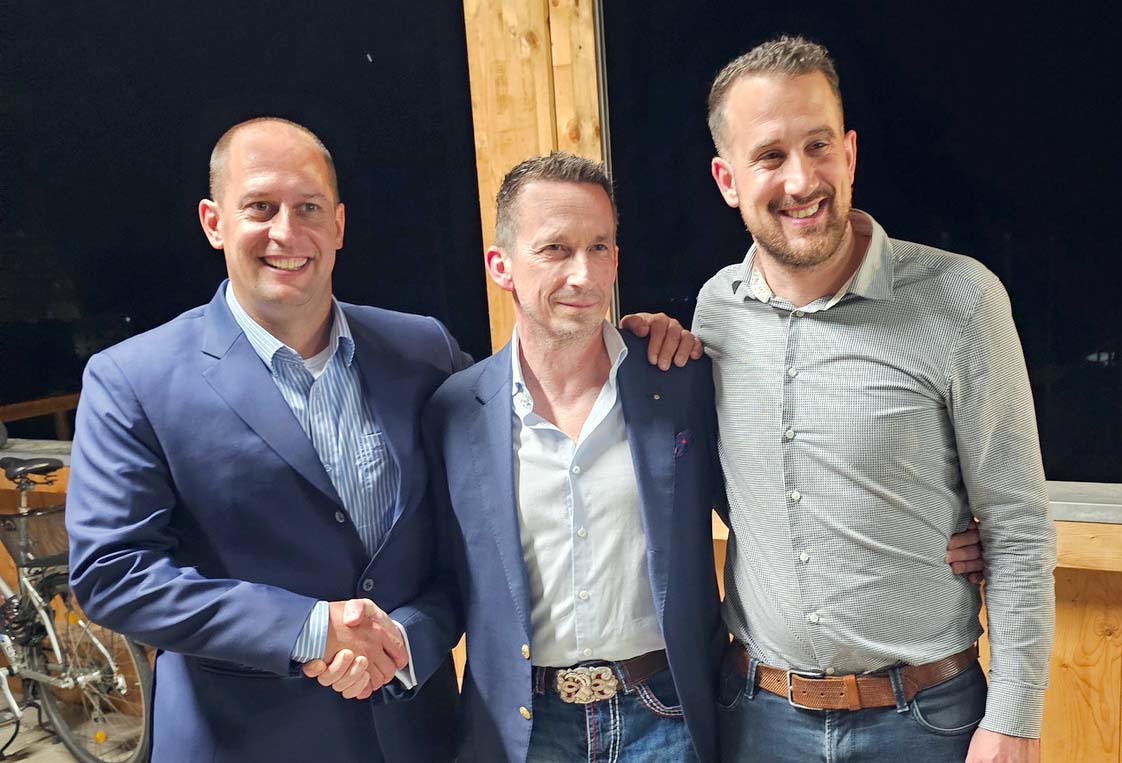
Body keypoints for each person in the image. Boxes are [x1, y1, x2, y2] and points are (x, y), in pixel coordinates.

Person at [694, 36, 1056, 763]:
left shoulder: (962, 300)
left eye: (818, 146)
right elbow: (747, 492)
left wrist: (1014, 719)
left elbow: (1017, 527)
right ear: (728, 179)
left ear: (850, 153)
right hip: (757, 720)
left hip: (926, 722)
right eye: (770, 156)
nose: (802, 180)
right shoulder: (715, 312)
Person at [65, 117, 471, 763]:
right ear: (213, 222)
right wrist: (309, 629)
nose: (287, 231)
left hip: (419, 733)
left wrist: (623, 358)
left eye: (308, 207)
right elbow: (114, 572)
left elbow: (475, 531)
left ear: (338, 224)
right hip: (241, 741)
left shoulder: (425, 350)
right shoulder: (132, 379)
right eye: (260, 207)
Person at [421, 153, 725, 762]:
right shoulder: (453, 412)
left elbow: (759, 515)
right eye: (556, 250)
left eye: (599, 248)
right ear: (501, 266)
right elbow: (444, 576)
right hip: (528, 727)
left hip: (666, 716)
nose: (583, 275)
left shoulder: (680, 378)